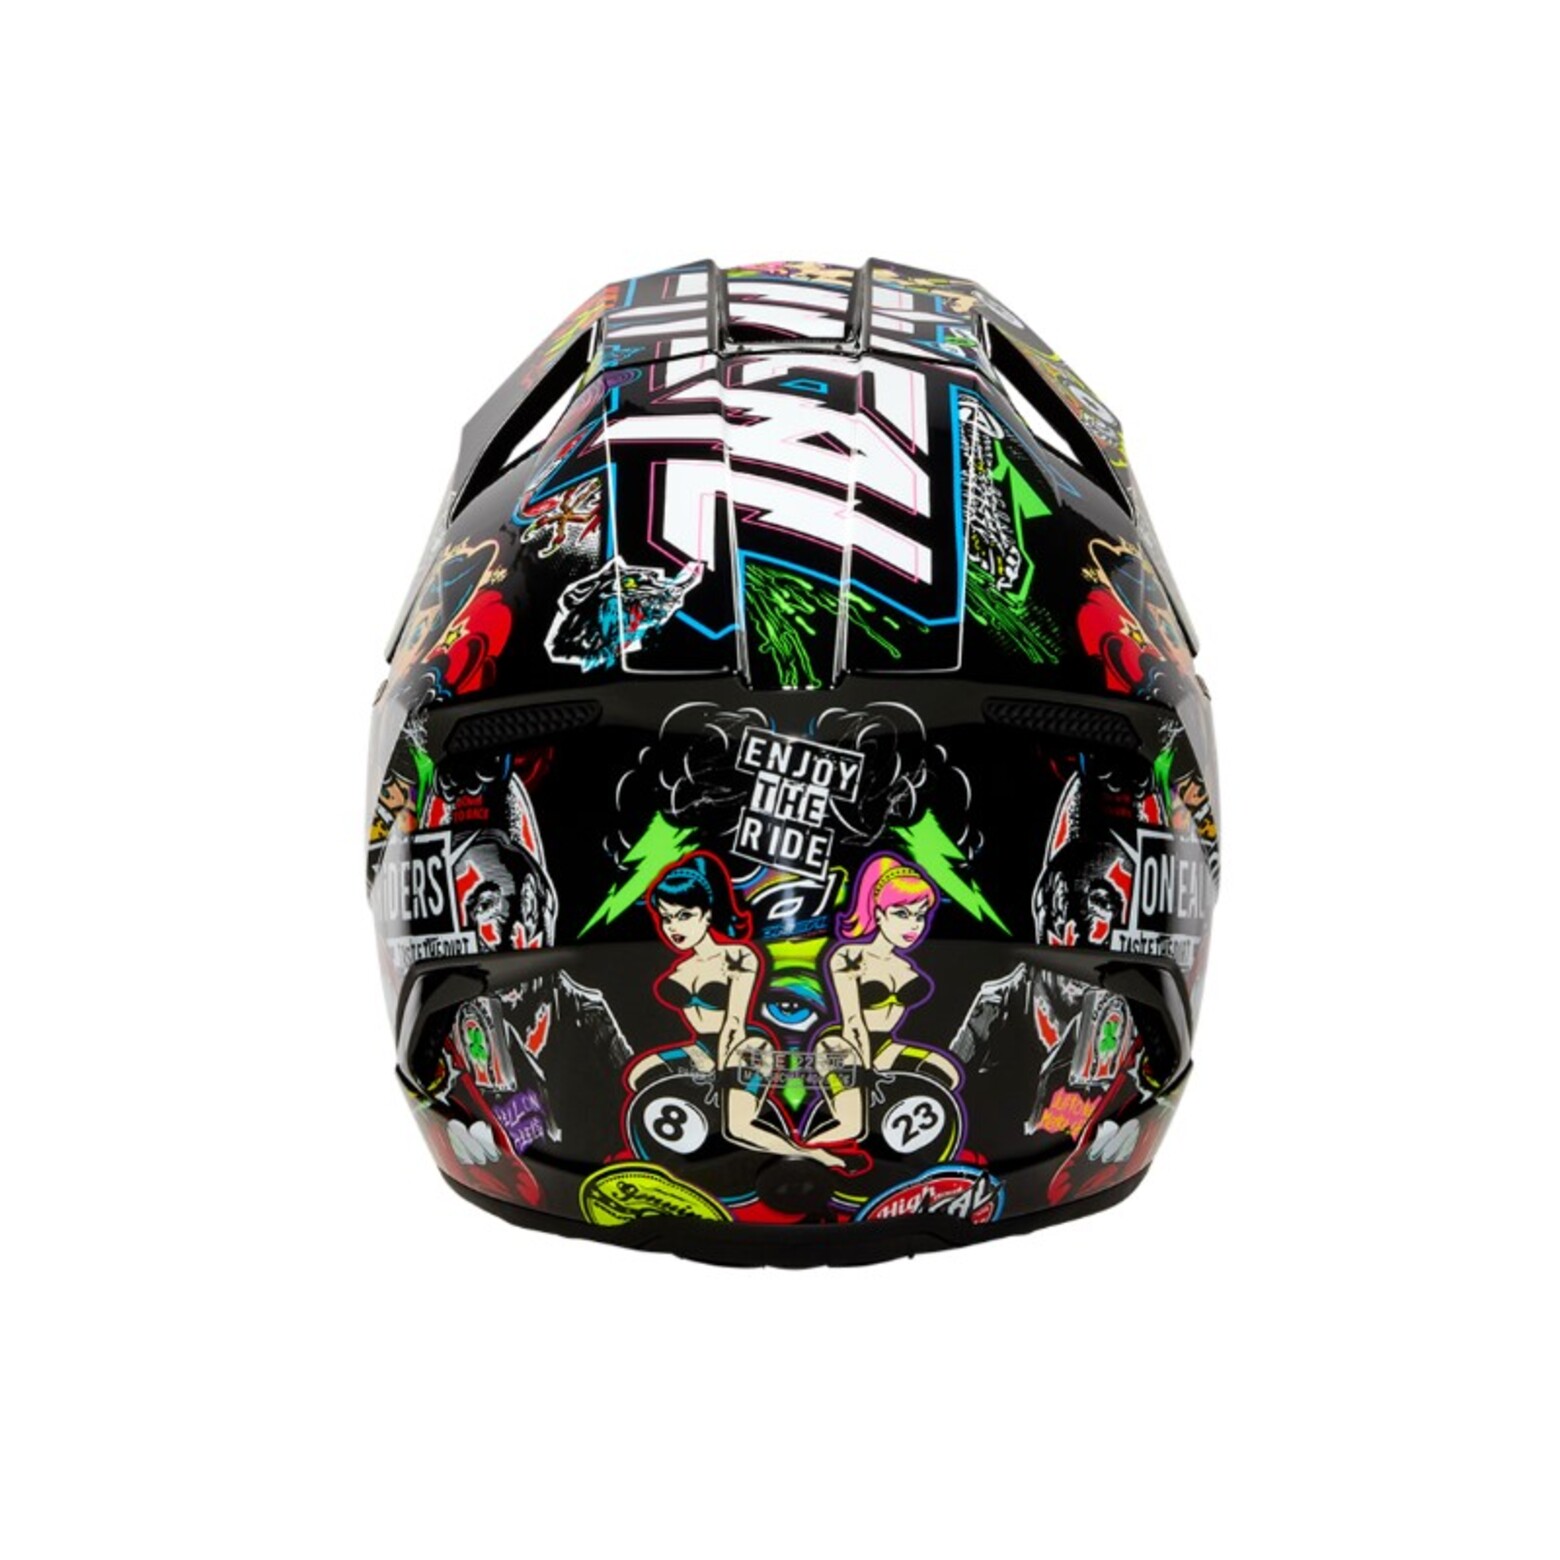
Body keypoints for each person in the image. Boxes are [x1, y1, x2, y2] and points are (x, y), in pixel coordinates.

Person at [629, 852, 852, 1169]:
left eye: (684, 915)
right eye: (667, 917)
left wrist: (721, 1073)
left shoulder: (737, 957)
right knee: (638, 1077)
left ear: (707, 914)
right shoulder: (681, 968)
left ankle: (812, 1156)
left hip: (747, 1044)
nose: (673, 926)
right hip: (701, 1047)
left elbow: (734, 1022)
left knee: (737, 1125)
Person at [805, 853, 960, 1149]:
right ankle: (806, 1150)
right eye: (902, 914)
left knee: (946, 1075)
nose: (913, 925)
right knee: (852, 1124)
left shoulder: (906, 967)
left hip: (885, 1046)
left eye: (919, 915)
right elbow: (853, 1023)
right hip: (841, 1044)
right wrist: (864, 1073)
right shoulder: (849, 957)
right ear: (878, 914)